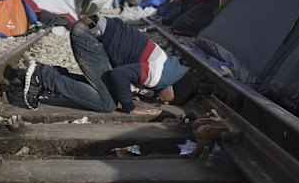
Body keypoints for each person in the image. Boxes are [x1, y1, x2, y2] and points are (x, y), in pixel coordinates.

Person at [24, 14, 199, 114]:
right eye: (172, 101)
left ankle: (49, 74)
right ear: (173, 87)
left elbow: (124, 71)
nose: (166, 103)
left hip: (93, 28)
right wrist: (130, 106)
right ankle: (44, 76)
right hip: (89, 35)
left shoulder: (166, 65)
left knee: (108, 93)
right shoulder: (158, 74)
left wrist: (126, 94)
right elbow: (119, 75)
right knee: (107, 104)